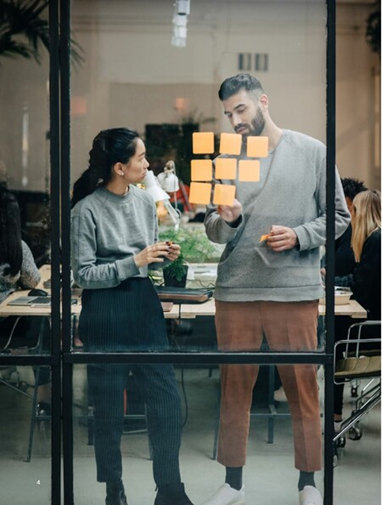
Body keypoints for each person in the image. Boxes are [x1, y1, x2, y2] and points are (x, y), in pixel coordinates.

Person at [202, 73, 350, 505]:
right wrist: (228, 221)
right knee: (234, 389)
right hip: (237, 290)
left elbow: (339, 216)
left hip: (294, 289)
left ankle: (309, 484)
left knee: (303, 388)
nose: (235, 121)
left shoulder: (313, 152)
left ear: (263, 101)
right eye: (229, 114)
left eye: (241, 110)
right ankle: (233, 483)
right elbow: (212, 229)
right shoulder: (227, 158)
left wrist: (301, 235)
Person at [70, 128, 193, 505]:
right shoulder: (85, 210)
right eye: (141, 158)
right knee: (107, 408)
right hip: (104, 309)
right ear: (120, 167)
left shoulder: (143, 203)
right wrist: (135, 261)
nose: (147, 164)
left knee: (166, 400)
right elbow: (83, 275)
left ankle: (169, 488)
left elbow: (144, 261)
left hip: (142, 305)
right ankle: (113, 489)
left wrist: (160, 255)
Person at [0, 185, 51, 413]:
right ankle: (44, 400)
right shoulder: (16, 247)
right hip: (10, 333)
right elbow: (33, 281)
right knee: (43, 326)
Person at [333, 189, 381, 429]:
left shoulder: (376, 241)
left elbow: (360, 286)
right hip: (375, 324)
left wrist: (331, 281)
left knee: (334, 337)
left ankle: (335, 413)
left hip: (373, 329)